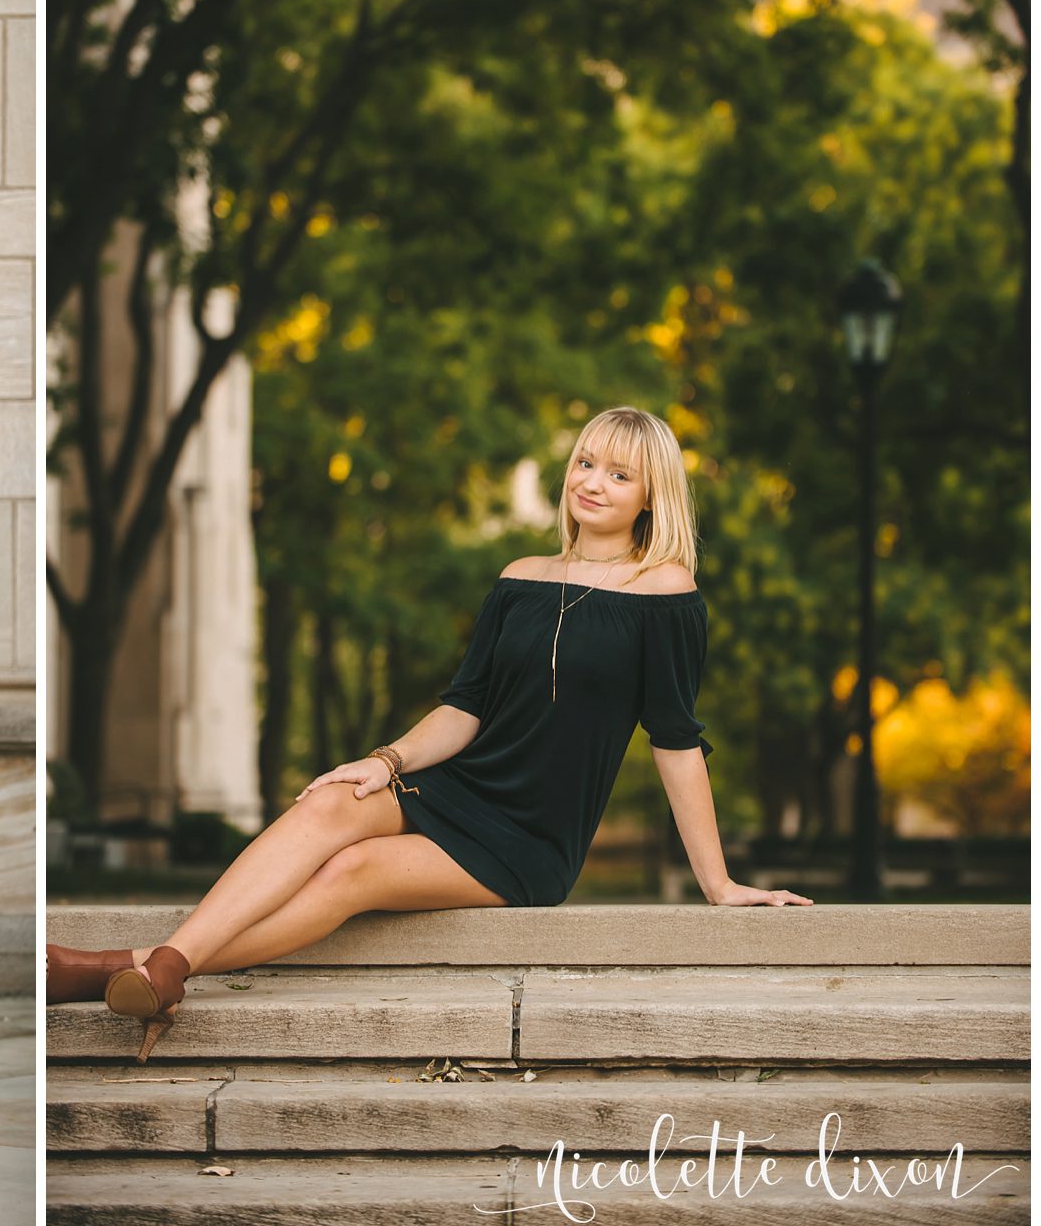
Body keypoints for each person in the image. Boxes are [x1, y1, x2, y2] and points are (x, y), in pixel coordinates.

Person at [47, 406, 811, 1061]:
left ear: (651, 497)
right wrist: (387, 760)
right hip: (460, 783)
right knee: (331, 800)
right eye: (585, 461)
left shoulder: (666, 594)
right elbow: (466, 707)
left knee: (352, 873)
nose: (591, 482)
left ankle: (114, 967)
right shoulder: (520, 576)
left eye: (618, 474)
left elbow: (674, 740)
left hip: (529, 839)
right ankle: (168, 969)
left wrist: (718, 883)